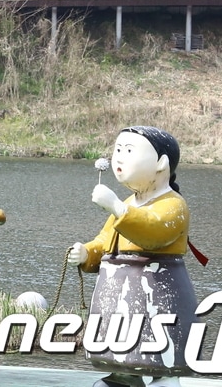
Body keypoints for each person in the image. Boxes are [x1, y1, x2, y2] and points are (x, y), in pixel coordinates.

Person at [67, 126, 199, 387]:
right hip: (118, 290)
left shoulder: (174, 204)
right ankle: (123, 378)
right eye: (117, 150)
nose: (119, 158)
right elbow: (106, 241)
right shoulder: (129, 201)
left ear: (162, 162)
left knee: (157, 346)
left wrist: (117, 207)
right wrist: (87, 253)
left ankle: (162, 379)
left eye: (129, 151)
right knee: (122, 348)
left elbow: (155, 232)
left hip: (159, 290)